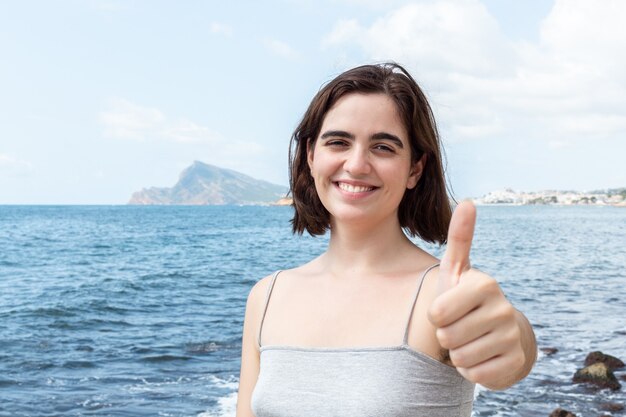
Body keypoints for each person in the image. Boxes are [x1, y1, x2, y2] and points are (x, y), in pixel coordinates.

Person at [236, 62, 537, 416]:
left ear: (415, 169)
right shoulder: (267, 296)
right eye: (338, 142)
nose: (357, 164)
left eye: (383, 147)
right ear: (311, 155)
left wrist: (511, 343)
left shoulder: (442, 294)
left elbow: (513, 349)